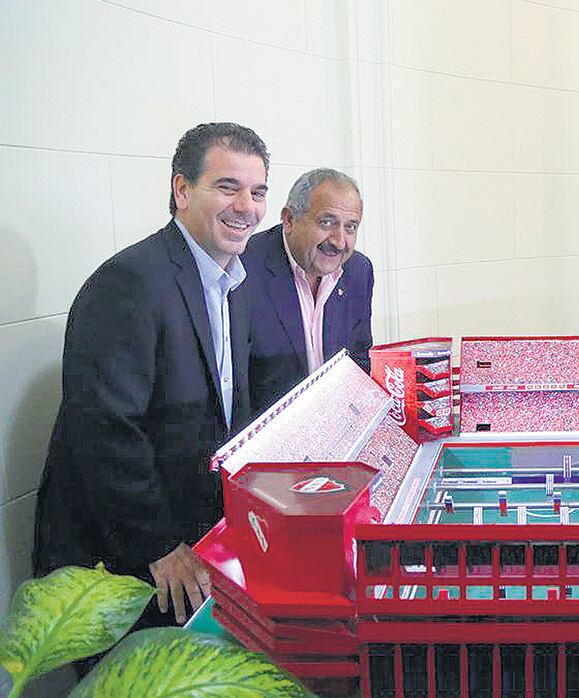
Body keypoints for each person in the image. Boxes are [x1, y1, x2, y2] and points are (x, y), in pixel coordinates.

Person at [33, 123, 270, 634]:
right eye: (227, 187)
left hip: (188, 539)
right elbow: (105, 430)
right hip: (123, 558)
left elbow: (226, 412)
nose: (246, 207)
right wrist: (159, 547)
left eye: (258, 191)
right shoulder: (130, 282)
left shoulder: (237, 282)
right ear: (181, 190)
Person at [242, 168, 373, 413]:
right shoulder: (243, 270)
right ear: (289, 219)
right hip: (268, 438)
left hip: (335, 427)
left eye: (350, 227)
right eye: (327, 222)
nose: (339, 241)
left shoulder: (358, 271)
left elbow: (358, 359)